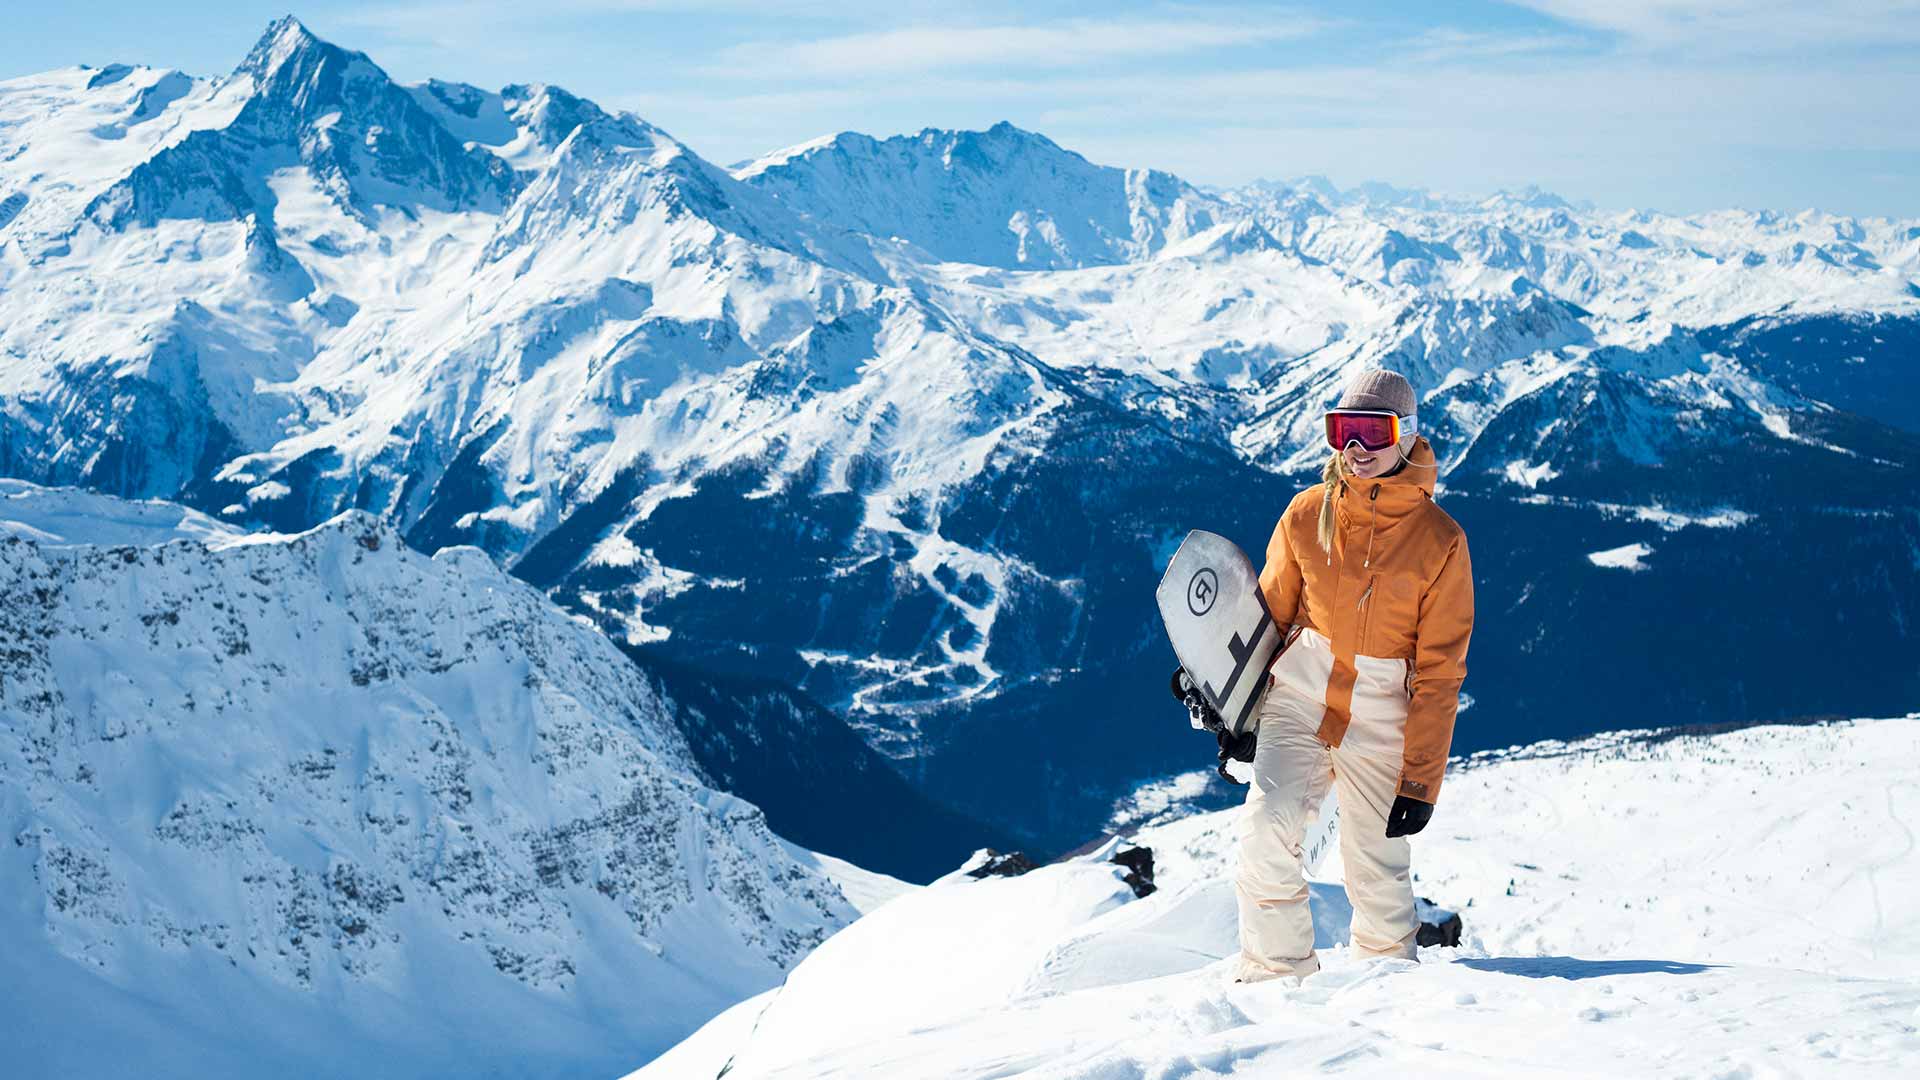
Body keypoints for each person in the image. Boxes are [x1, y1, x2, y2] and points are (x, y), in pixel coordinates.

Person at [1234, 368, 1474, 982]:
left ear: (1407, 435)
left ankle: (1385, 995)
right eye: (1343, 431)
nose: (1356, 449)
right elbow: (1268, 617)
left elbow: (1440, 673)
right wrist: (1236, 711)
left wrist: (1420, 783)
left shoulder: (1440, 541)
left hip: (1380, 708)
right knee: (1266, 831)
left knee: (1376, 865)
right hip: (1299, 693)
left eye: (1373, 431)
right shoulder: (1305, 513)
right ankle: (1274, 981)